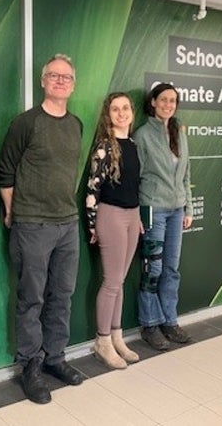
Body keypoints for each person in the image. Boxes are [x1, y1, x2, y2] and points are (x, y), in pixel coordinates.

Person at [0, 54, 84, 405]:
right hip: (32, 223)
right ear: (43, 81)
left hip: (68, 223)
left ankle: (55, 359)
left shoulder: (76, 124)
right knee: (32, 298)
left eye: (66, 77)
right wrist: (11, 212)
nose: (60, 81)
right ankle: (30, 366)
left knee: (61, 296)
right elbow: (5, 171)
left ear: (73, 84)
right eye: (54, 75)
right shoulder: (26, 122)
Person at [133, 82, 193, 350]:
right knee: (152, 269)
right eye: (164, 100)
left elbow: (187, 172)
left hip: (177, 208)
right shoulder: (142, 135)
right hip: (151, 210)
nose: (169, 104)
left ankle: (170, 321)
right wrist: (137, 213)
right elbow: (136, 178)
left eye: (173, 101)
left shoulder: (179, 132)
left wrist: (188, 207)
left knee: (171, 268)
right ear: (153, 102)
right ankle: (150, 324)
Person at [85, 92, 142, 369]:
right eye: (115, 109)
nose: (121, 113)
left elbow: (133, 185)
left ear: (132, 112)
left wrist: (138, 215)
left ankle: (117, 337)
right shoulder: (104, 147)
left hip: (132, 216)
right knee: (111, 282)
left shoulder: (132, 144)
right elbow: (92, 188)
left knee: (120, 280)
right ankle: (103, 341)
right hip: (111, 216)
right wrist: (93, 223)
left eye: (126, 108)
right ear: (108, 115)